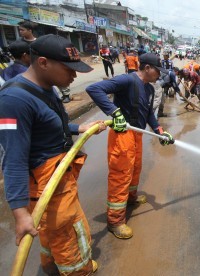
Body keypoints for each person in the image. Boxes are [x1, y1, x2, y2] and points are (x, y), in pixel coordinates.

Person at [0, 34, 105, 275]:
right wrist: (19, 213)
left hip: (58, 178)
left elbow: (50, 124)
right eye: (69, 69)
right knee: (70, 232)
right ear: (43, 63)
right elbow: (12, 160)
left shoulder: (47, 88)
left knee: (51, 231)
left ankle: (51, 265)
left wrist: (79, 128)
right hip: (46, 185)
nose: (74, 75)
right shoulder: (12, 101)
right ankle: (79, 270)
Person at [86, 53, 175, 239]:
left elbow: (149, 113)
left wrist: (159, 131)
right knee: (121, 176)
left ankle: (131, 199)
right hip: (122, 136)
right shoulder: (127, 80)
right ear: (148, 68)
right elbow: (94, 89)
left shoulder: (149, 89)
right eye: (158, 71)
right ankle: (115, 221)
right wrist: (115, 113)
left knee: (135, 170)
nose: (160, 75)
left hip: (137, 134)